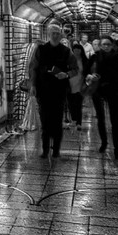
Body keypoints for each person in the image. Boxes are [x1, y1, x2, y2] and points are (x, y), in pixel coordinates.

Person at [27, 23, 79, 158]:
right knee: (45, 120)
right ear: (48, 34)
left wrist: (66, 74)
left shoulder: (66, 51)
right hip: (43, 89)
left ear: (61, 34)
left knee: (57, 120)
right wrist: (32, 85)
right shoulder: (40, 49)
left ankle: (56, 149)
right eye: (53, 33)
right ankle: (45, 149)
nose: (55, 35)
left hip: (59, 90)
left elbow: (75, 69)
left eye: (57, 33)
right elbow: (33, 68)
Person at [85, 36, 118, 158]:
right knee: (101, 118)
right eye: (103, 44)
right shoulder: (95, 57)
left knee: (116, 120)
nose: (106, 46)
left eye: (108, 44)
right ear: (100, 45)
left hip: (114, 91)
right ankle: (104, 142)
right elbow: (86, 71)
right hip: (97, 90)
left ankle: (117, 148)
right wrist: (90, 76)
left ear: (112, 45)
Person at [66, 42, 87, 130]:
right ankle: (73, 120)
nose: (77, 52)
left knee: (78, 103)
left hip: (80, 83)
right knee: (71, 103)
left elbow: (87, 72)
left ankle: (79, 122)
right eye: (75, 50)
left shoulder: (85, 61)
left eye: (78, 50)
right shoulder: (69, 60)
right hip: (70, 83)